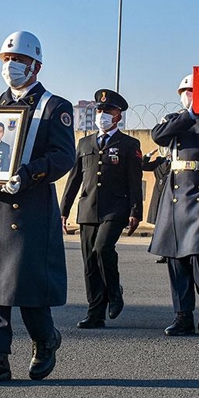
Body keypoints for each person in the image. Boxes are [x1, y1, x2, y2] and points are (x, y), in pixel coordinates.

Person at [0, 31, 75, 385]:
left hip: (31, 204)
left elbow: (63, 156)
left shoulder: (54, 106)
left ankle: (45, 339)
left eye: (18, 60)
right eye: (6, 60)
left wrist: (29, 173)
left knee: (29, 285)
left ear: (36, 65)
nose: (11, 67)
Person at [148, 73, 199, 336]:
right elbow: (159, 136)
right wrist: (190, 115)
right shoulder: (175, 120)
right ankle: (182, 314)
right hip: (176, 192)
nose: (189, 96)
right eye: (186, 91)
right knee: (175, 256)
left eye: (195, 91)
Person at [61, 89, 143, 329]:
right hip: (88, 207)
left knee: (102, 248)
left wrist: (135, 210)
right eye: (99, 110)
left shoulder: (129, 144)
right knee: (89, 261)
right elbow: (74, 179)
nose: (102, 114)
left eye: (108, 111)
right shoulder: (84, 143)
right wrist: (63, 210)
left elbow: (134, 180)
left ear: (118, 115)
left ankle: (114, 292)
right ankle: (95, 312)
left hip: (115, 208)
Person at [141, 146, 171, 263]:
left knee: (169, 226)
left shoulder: (178, 161)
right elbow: (143, 166)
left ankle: (170, 254)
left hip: (170, 196)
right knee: (160, 226)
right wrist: (149, 154)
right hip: (158, 195)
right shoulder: (160, 161)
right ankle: (163, 253)